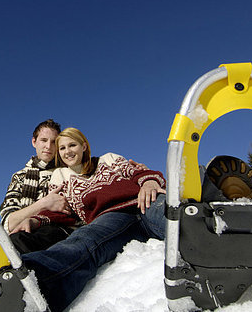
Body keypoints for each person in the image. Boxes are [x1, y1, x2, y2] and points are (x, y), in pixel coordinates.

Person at [17, 127, 167, 312]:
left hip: (144, 201)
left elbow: (136, 173)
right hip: (110, 219)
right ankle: (30, 284)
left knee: (175, 215)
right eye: (62, 148)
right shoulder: (61, 176)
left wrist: (149, 182)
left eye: (72, 145)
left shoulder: (108, 159)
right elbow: (60, 210)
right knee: (83, 242)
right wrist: (36, 221)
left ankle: (209, 228)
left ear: (84, 146)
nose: (67, 151)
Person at [0, 119, 75, 254]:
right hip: (23, 233)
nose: (48, 146)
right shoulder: (19, 177)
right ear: (34, 142)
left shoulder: (68, 171)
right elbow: (8, 223)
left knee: (19, 241)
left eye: (53, 142)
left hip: (59, 231)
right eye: (44, 140)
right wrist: (44, 203)